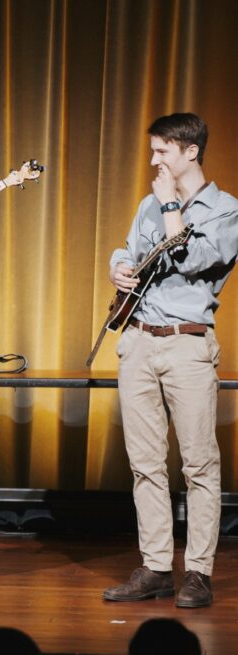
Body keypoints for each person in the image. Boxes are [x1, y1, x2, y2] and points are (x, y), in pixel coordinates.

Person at [102, 113, 238, 608]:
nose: (153, 159)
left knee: (199, 464)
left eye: (162, 151)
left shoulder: (226, 210)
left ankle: (198, 572)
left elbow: (193, 259)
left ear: (190, 151)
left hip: (187, 344)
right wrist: (119, 266)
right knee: (145, 464)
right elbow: (130, 248)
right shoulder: (149, 204)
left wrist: (171, 206)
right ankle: (156, 566)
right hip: (139, 340)